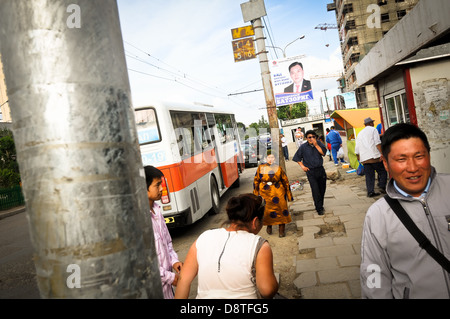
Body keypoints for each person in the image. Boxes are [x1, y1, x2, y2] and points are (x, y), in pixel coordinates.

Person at [360, 123, 450, 299]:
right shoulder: (378, 215)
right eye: (401, 159)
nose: (413, 167)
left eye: (419, 156)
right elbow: (374, 278)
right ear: (385, 164)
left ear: (429, 156)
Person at [174, 194, 279, 299]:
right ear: (255, 222)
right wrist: (274, 283)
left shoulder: (203, 237)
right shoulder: (259, 245)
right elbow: (267, 290)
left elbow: (183, 280)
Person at [144, 165, 182, 299]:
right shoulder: (141, 221)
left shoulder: (157, 211)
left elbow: (167, 243)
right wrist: (170, 277)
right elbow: (146, 262)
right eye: (157, 185)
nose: (161, 189)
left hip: (167, 288)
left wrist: (174, 261)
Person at [253, 150, 293, 237]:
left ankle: (281, 229)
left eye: (272, 157)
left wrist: (289, 196)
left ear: (275, 158)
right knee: (267, 210)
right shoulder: (261, 167)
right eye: (269, 157)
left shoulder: (278, 168)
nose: (270, 159)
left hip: (278, 190)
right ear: (265, 158)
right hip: (265, 191)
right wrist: (255, 195)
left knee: (282, 208)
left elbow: (285, 181)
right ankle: (269, 225)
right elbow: (256, 180)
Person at [292, 130, 327, 215]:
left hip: (320, 170)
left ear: (315, 137)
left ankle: (320, 205)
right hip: (311, 171)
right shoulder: (303, 147)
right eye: (309, 137)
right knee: (315, 190)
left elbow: (323, 153)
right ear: (306, 138)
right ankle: (319, 208)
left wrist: (316, 145)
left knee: (322, 189)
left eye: (313, 137)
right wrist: (302, 166)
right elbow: (297, 158)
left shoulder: (319, 143)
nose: (311, 139)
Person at [355, 117, 388, 197]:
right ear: (370, 123)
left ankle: (370, 192)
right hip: (374, 157)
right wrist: (382, 153)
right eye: (372, 123)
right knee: (383, 171)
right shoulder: (373, 130)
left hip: (365, 158)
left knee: (369, 176)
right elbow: (377, 142)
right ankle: (382, 186)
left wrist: (358, 156)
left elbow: (357, 147)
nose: (373, 124)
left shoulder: (360, 133)